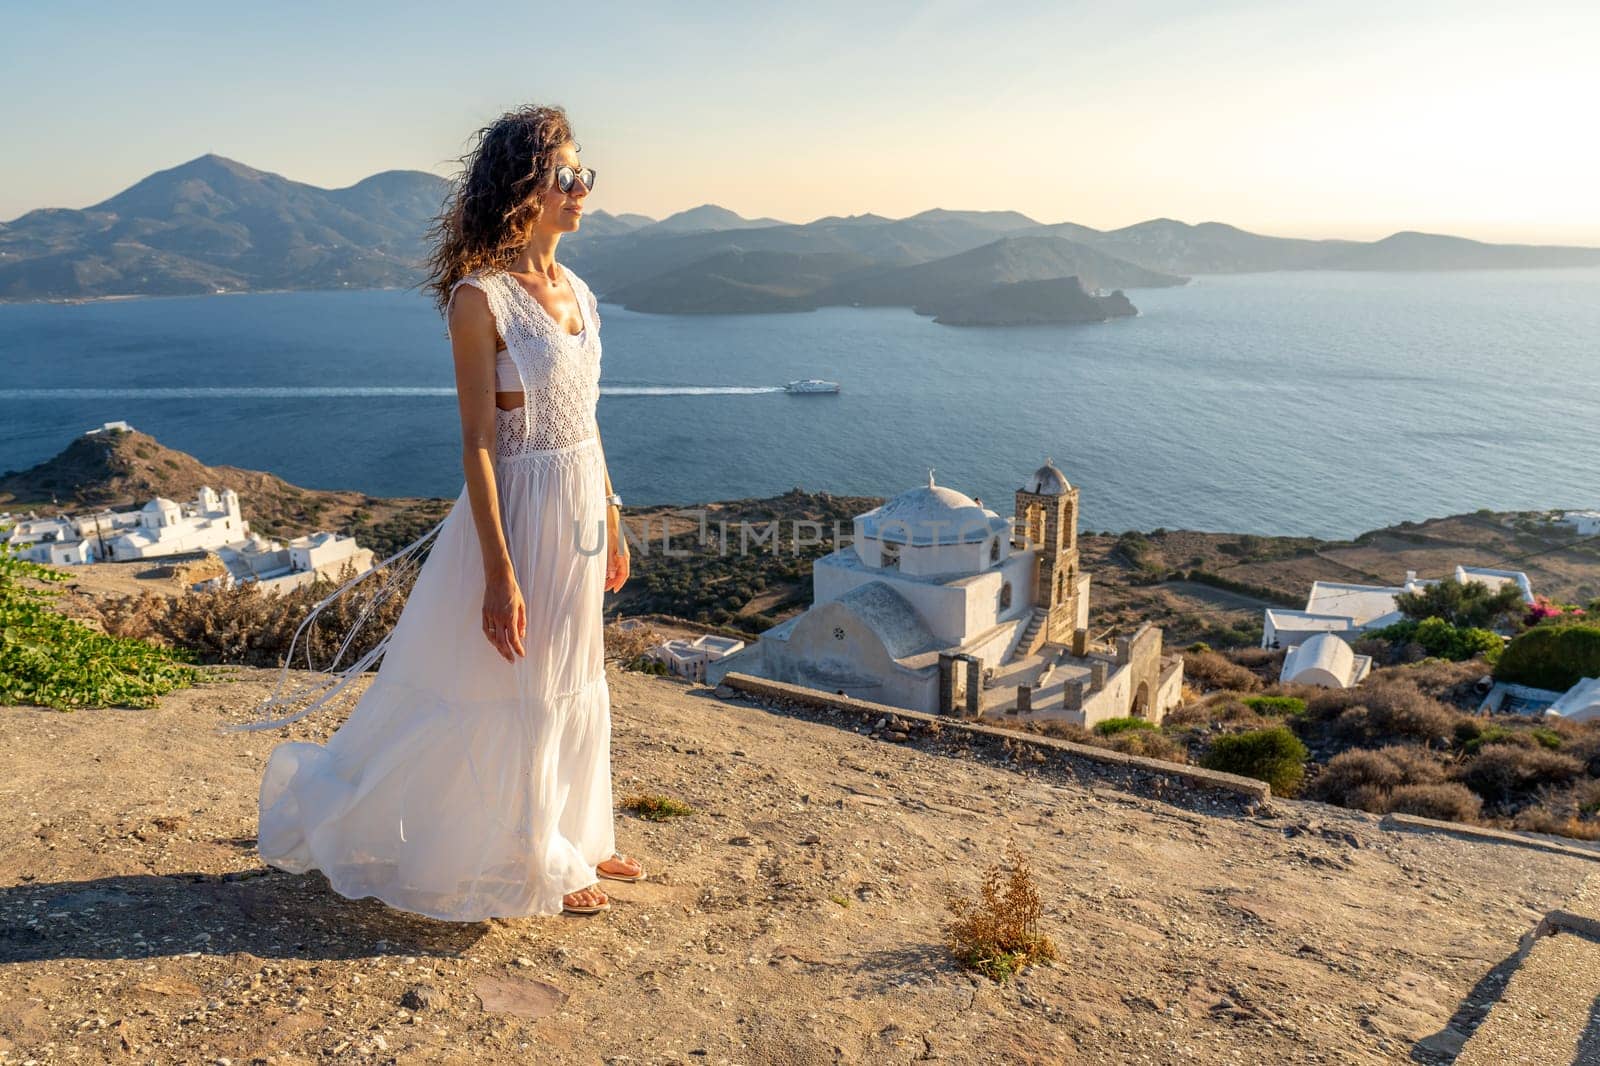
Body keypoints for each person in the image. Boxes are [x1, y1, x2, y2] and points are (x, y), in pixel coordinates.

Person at [231, 104, 643, 920]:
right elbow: (480, 445)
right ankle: (532, 852)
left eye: (584, 174)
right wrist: (499, 573)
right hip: (517, 514)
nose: (582, 189)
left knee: (574, 672)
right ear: (525, 185)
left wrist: (615, 517)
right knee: (522, 681)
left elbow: (586, 420)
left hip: (580, 506)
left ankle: (578, 830)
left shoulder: (582, 293)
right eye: (566, 175)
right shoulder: (480, 300)